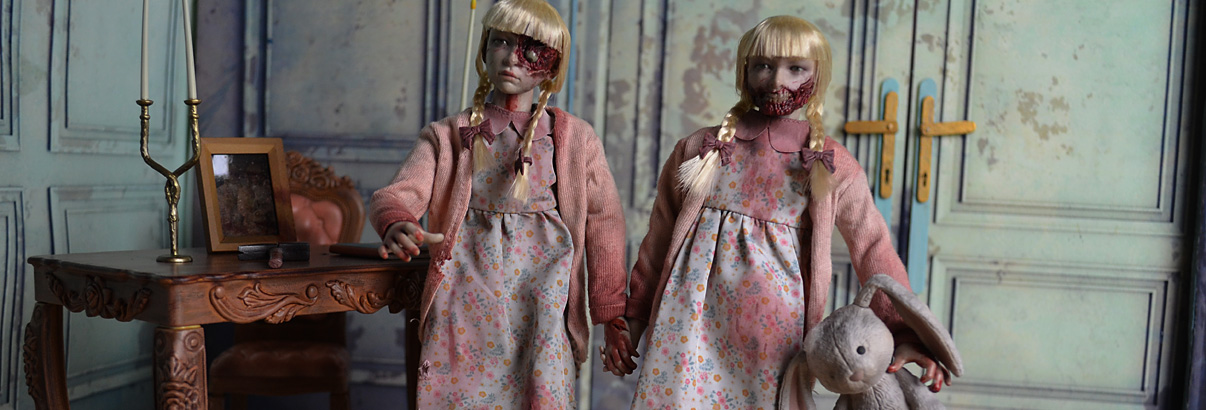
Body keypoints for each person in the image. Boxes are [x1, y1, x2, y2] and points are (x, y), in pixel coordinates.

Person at [600, 15, 952, 409]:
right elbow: (659, 240)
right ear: (744, 70)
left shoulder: (829, 162)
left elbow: (874, 249)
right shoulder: (700, 148)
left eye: (795, 68)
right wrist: (633, 320)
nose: (776, 80)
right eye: (763, 65)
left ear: (818, 76)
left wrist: (905, 335)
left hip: (775, 340)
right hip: (688, 327)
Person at [369, 0, 627, 407]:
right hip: (465, 287)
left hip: (544, 291)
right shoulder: (449, 135)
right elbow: (397, 194)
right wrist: (397, 221)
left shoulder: (576, 139)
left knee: (542, 388)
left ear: (553, 66)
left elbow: (604, 222)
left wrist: (610, 309)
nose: (511, 58)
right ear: (484, 48)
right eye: (500, 42)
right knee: (461, 392)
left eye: (531, 49)